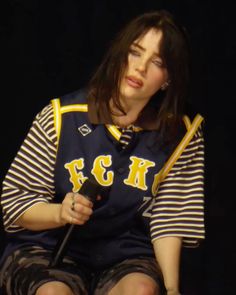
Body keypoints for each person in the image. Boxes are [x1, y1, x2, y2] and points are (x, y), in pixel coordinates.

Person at [0, 9, 205, 295]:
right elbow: (14, 202)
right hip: (48, 248)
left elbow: (169, 219)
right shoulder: (61, 116)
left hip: (125, 254)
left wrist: (171, 289)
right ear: (120, 54)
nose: (140, 68)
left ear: (168, 78)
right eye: (134, 52)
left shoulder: (181, 135)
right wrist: (61, 212)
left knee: (142, 289)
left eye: (157, 62)